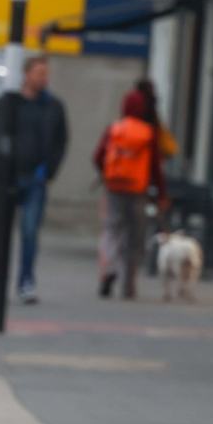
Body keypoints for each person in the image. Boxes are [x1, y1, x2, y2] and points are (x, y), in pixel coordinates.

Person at [0, 55, 68, 303]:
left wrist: (49, 170)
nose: (44, 78)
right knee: (0, 232)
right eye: (39, 73)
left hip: (36, 179)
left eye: (46, 73)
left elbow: (61, 141)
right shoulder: (7, 104)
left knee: (30, 232)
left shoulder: (53, 107)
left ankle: (26, 281)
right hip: (7, 177)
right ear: (26, 74)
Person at [92, 90, 158, 300]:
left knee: (112, 230)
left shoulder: (114, 129)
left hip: (114, 187)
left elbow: (98, 156)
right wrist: (161, 193)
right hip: (138, 190)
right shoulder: (148, 133)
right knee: (135, 236)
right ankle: (129, 284)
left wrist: (106, 172)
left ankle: (108, 269)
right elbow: (155, 167)